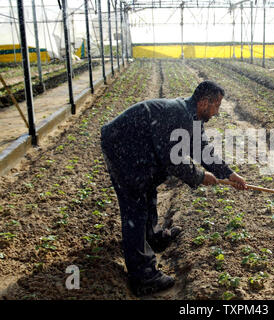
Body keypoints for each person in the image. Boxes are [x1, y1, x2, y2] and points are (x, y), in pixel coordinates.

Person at [100, 80, 246, 296]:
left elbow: (203, 150)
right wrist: (199, 176)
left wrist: (228, 173)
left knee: (148, 188)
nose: (217, 112)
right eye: (217, 106)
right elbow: (173, 160)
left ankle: (153, 237)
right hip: (121, 147)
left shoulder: (192, 117)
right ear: (205, 102)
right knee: (135, 206)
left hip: (138, 149)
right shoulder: (177, 116)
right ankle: (143, 276)